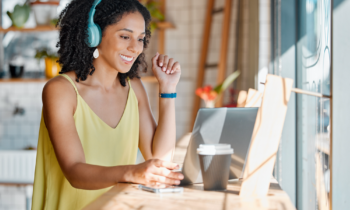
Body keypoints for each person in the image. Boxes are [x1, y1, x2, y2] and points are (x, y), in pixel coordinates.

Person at [31, 0, 183, 209]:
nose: (135, 47)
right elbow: (74, 171)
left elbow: (159, 157)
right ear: (93, 35)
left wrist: (168, 88)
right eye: (124, 36)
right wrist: (132, 172)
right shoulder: (61, 91)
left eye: (140, 38)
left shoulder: (134, 88)